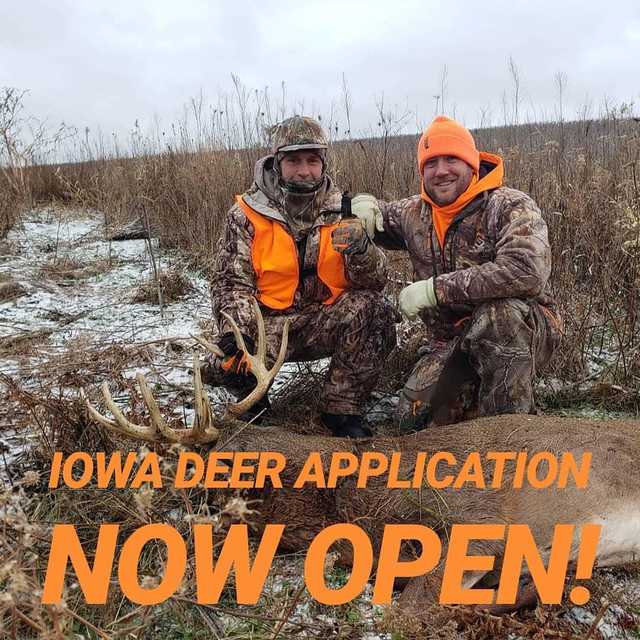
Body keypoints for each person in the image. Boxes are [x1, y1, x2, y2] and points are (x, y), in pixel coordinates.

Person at [350, 115, 563, 431]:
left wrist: (435, 290)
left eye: (451, 159)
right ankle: (477, 393)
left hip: (522, 326)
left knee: (499, 317)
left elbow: (526, 271)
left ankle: (511, 431)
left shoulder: (509, 205)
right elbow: (379, 215)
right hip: (451, 340)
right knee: (411, 419)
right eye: (431, 163)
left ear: (471, 163)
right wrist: (361, 204)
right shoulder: (413, 213)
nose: (441, 171)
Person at [208, 116, 397, 438]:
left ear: (323, 164)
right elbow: (231, 282)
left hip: (324, 319)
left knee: (376, 311)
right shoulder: (245, 214)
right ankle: (255, 406)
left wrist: (363, 250)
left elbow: (377, 281)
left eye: (312, 160)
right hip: (268, 325)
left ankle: (341, 410)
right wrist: (236, 335)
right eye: (293, 161)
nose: (304, 170)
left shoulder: (345, 210)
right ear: (277, 163)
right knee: (225, 362)